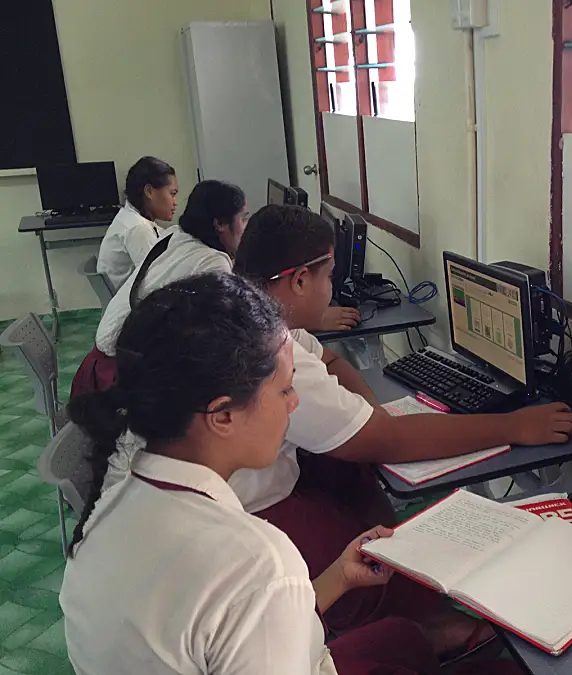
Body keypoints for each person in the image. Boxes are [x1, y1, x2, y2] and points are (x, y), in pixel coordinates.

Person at [60, 272, 521, 675]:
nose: (294, 402)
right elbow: (242, 603)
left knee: (401, 637)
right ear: (222, 416)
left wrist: (335, 579)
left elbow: (224, 626)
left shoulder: (111, 506)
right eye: (283, 390)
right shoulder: (256, 561)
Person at [226, 205, 572, 642]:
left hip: (241, 495)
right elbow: (388, 440)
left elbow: (332, 358)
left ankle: (404, 602)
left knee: (353, 472)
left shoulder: (247, 310)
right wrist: (515, 427)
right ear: (299, 280)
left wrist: (370, 411)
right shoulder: (275, 349)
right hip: (252, 515)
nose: (333, 289)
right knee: (369, 545)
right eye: (329, 276)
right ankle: (421, 628)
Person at [70, 179, 249, 399]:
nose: (246, 227)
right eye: (243, 218)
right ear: (220, 223)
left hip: (103, 359)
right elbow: (225, 328)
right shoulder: (212, 261)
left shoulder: (175, 235)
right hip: (117, 376)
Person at [96, 156, 178, 289]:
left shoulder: (131, 217)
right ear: (149, 191)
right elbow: (159, 279)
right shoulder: (137, 228)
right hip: (133, 305)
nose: (175, 202)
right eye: (172, 194)